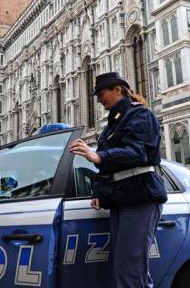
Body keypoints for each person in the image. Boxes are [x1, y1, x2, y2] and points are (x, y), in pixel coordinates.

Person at [68, 72, 167, 288]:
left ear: (118, 89)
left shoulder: (140, 115)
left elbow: (137, 151)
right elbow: (110, 165)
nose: (99, 99)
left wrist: (99, 156)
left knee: (130, 270)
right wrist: (98, 192)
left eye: (101, 93)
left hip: (140, 197)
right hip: (122, 198)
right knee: (127, 268)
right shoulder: (114, 121)